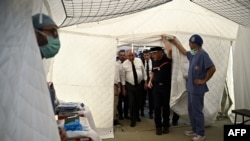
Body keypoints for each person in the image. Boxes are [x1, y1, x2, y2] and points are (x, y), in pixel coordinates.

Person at [171, 34, 216, 141]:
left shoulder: (203, 54)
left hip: (198, 89)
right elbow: (184, 51)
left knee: (197, 111)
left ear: (195, 44)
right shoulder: (194, 53)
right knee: (191, 110)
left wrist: (204, 80)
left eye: (190, 43)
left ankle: (201, 134)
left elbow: (213, 68)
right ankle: (194, 129)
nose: (189, 45)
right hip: (191, 88)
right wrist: (175, 42)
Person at [32, 13, 67, 141]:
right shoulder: (19, 70)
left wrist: (53, 130)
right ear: (35, 34)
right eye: (52, 32)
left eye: (56, 33)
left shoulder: (36, 67)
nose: (56, 39)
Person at [147, 36, 172, 135]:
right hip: (156, 88)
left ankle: (166, 126)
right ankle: (158, 127)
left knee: (166, 107)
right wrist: (150, 81)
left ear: (160, 53)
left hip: (166, 87)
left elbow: (169, 49)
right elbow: (153, 72)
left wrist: (165, 40)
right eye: (152, 54)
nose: (153, 56)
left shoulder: (167, 59)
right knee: (156, 108)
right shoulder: (154, 61)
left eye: (154, 54)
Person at [121, 50, 147, 127]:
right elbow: (123, 77)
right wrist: (123, 88)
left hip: (139, 84)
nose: (131, 57)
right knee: (132, 102)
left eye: (133, 55)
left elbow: (143, 71)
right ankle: (133, 119)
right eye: (129, 56)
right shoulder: (124, 64)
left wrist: (145, 81)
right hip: (130, 85)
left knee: (139, 102)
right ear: (126, 56)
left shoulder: (139, 60)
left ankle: (137, 116)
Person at [117, 50, 130, 120]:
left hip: (126, 84)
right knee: (119, 101)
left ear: (125, 55)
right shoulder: (116, 64)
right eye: (121, 55)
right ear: (119, 56)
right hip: (119, 85)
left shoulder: (128, 63)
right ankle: (120, 114)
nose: (122, 56)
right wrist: (120, 87)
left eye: (123, 55)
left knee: (126, 100)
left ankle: (126, 114)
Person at [141, 50, 154, 119]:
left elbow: (153, 72)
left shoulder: (153, 62)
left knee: (151, 97)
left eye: (147, 55)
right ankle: (142, 111)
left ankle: (151, 112)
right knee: (142, 97)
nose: (146, 57)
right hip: (143, 81)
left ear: (150, 55)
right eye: (145, 55)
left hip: (151, 80)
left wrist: (150, 81)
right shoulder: (141, 62)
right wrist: (145, 82)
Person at [114, 61, 122, 126]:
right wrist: (119, 86)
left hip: (113, 85)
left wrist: (119, 86)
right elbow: (117, 77)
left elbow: (117, 76)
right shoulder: (116, 64)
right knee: (114, 103)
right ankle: (113, 119)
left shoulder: (116, 64)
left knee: (115, 103)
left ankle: (114, 118)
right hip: (112, 85)